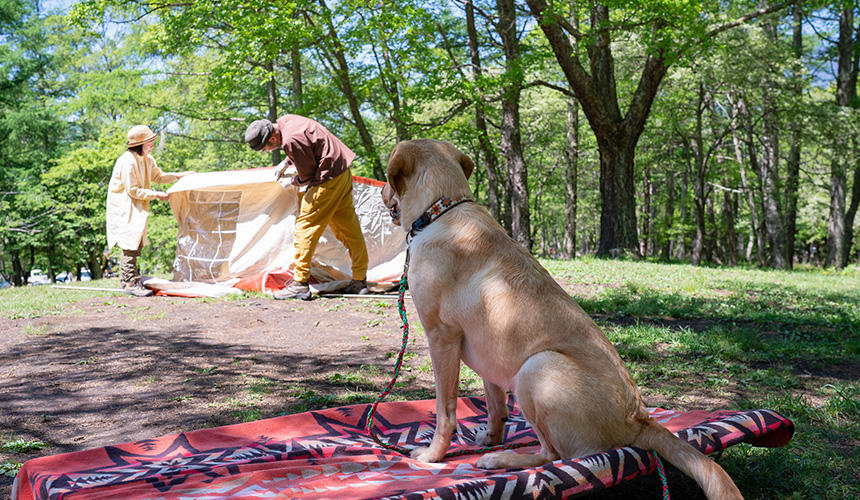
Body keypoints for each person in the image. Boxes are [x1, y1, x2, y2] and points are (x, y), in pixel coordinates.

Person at [245, 115, 369, 300]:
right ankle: (360, 281)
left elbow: (307, 175)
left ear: (272, 138)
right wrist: (287, 162)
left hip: (327, 179)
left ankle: (299, 284)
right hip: (341, 172)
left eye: (266, 148)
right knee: (349, 228)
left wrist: (294, 181)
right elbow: (309, 145)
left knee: (304, 228)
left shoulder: (291, 139)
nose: (266, 151)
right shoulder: (286, 121)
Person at [106, 125, 193, 297]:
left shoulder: (148, 159)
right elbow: (132, 190)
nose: (152, 145)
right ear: (140, 144)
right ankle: (130, 282)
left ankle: (127, 280)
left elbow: (158, 177)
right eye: (149, 143)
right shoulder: (127, 161)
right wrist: (156, 195)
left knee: (136, 243)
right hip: (124, 206)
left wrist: (178, 175)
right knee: (129, 243)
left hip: (138, 205)